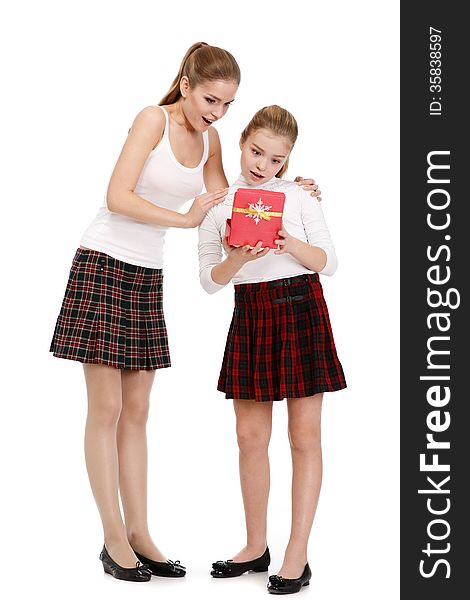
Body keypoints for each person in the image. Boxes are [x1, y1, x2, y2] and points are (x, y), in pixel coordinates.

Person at [49, 42, 320, 583]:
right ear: (186, 82)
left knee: (139, 412)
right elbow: (117, 196)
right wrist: (183, 220)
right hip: (103, 262)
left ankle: (141, 535)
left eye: (227, 104)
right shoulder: (152, 119)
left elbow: (234, 201)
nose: (216, 112)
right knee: (105, 411)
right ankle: (112, 540)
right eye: (210, 99)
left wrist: (294, 189)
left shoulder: (213, 140)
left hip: (146, 274)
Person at [198, 105, 347, 595]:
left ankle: (296, 553)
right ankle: (255, 544)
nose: (263, 165)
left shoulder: (299, 196)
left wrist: (288, 243)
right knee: (248, 437)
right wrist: (236, 257)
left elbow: (328, 262)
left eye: (276, 160)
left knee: (304, 438)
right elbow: (208, 282)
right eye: (256, 152)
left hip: (302, 308)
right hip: (252, 313)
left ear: (288, 161)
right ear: (242, 142)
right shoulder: (220, 204)